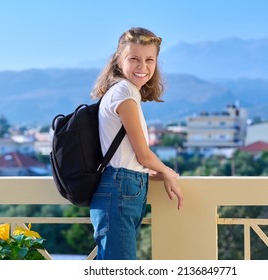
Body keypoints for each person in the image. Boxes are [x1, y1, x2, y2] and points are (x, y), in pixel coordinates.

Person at [89, 27, 184, 260]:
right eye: (134, 59)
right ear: (119, 60)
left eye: (149, 59)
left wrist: (150, 174)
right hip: (120, 191)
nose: (143, 66)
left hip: (123, 189)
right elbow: (143, 154)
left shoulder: (125, 92)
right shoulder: (125, 93)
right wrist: (168, 172)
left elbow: (127, 156)